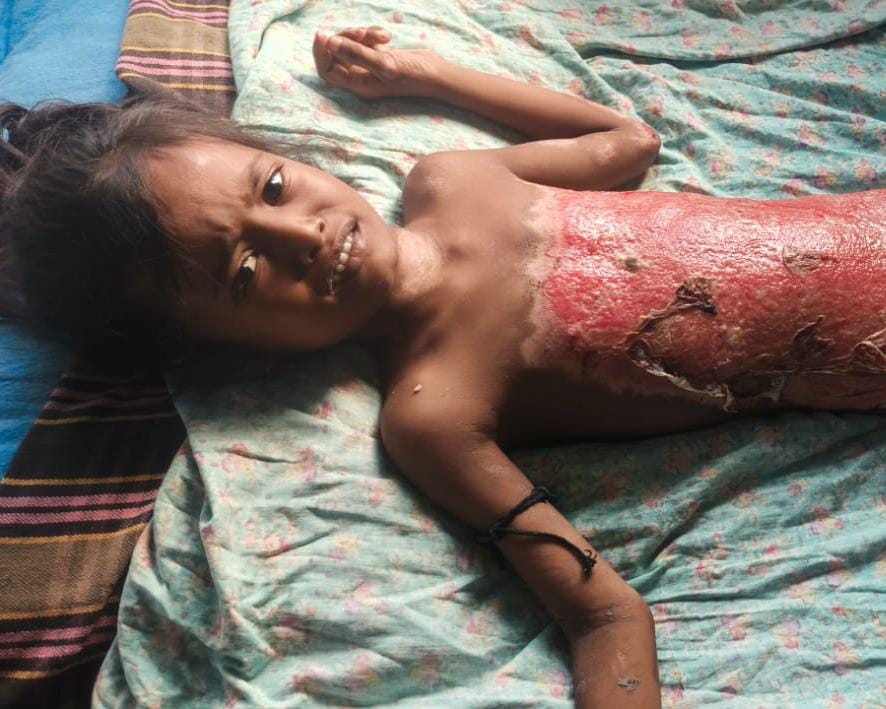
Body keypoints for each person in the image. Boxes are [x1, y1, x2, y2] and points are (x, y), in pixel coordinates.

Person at [2, 25, 884, 708]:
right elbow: (604, 613)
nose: (301, 235)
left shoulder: (452, 179)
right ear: (229, 349)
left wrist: (420, 74)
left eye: (272, 187)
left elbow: (626, 140)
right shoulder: (434, 411)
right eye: (245, 270)